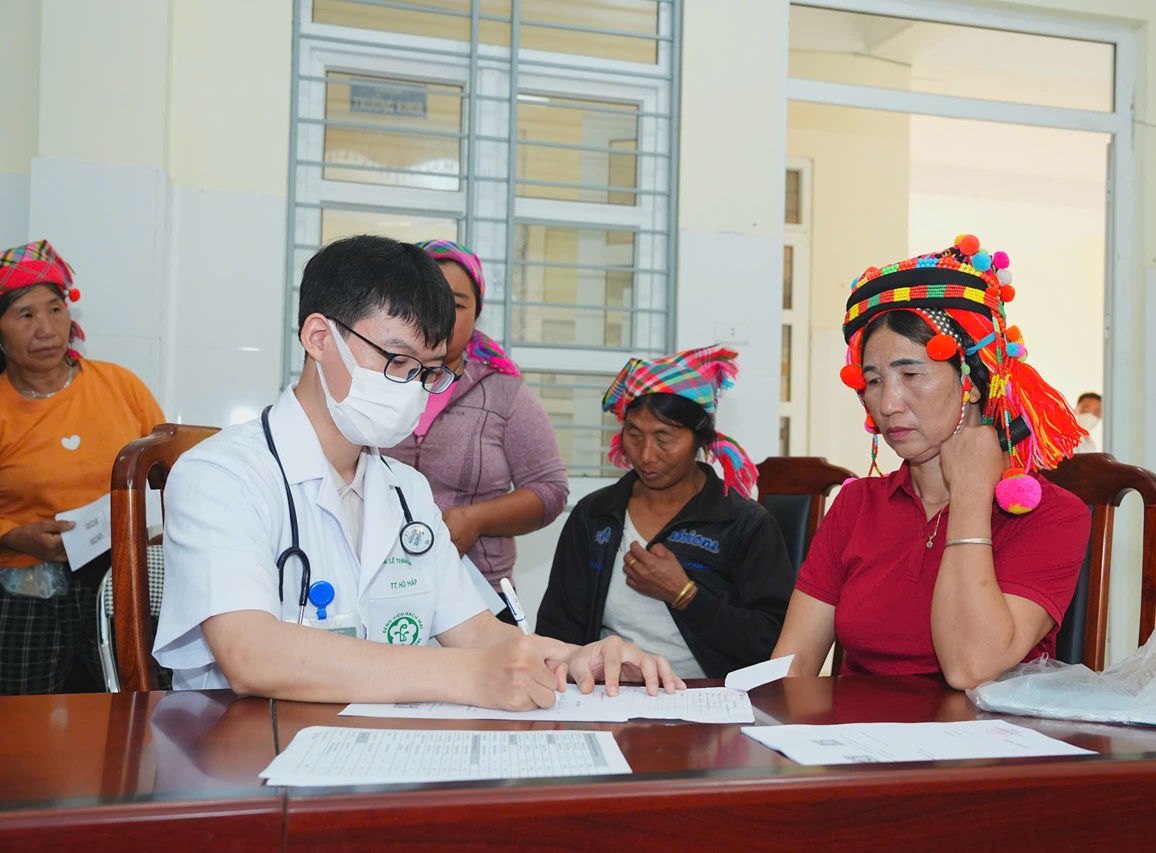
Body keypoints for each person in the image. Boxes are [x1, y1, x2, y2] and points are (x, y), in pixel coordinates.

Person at [153, 235, 682, 708]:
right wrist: (468, 676)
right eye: (397, 362)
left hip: (374, 750)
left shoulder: (405, 490)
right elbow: (251, 654)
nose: (412, 389)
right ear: (319, 337)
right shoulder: (221, 474)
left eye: (428, 372)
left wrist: (575, 657)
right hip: (248, 756)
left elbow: (474, 632)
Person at [772, 234, 1091, 690]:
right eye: (873, 381)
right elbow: (792, 666)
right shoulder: (856, 506)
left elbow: (971, 668)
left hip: (988, 735)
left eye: (911, 374)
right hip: (861, 732)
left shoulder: (1050, 514)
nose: (888, 404)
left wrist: (970, 495)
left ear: (972, 382)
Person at [537, 346, 792, 679]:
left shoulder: (743, 524)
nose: (646, 455)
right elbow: (558, 630)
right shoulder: (595, 515)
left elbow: (772, 642)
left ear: (701, 439)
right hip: (610, 692)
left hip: (708, 695)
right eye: (634, 434)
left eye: (665, 438)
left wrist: (685, 595)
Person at [0, 240, 164, 695]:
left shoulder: (119, 385)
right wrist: (11, 535)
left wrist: (164, 527)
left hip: (123, 584)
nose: (46, 329)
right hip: (23, 593)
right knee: (23, 723)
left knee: (132, 714)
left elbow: (170, 468)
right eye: (25, 315)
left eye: (55, 310)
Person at [384, 240, 567, 605]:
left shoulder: (504, 393)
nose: (442, 314)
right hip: (379, 586)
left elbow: (550, 489)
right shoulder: (376, 380)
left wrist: (477, 519)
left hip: (480, 594)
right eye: (427, 299)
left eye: (456, 304)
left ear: (476, 313)